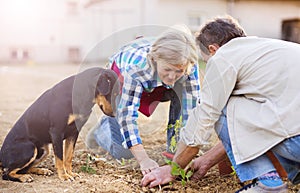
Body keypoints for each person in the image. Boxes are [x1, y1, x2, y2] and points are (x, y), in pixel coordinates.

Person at [141, 15, 300, 193]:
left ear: (212, 49)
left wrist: (173, 169)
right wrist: (208, 159)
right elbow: (248, 125)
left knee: (223, 103)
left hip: (296, 143)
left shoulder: (223, 57)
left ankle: (268, 183)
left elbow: (204, 119)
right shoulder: (275, 49)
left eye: (206, 60)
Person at [88, 25, 201, 176]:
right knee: (123, 152)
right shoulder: (136, 69)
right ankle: (101, 129)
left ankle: (173, 148)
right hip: (120, 79)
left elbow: (192, 111)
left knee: (180, 89)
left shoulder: (188, 66)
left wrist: (182, 155)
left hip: (156, 81)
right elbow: (128, 117)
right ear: (155, 60)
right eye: (167, 69)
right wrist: (144, 160)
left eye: (178, 71)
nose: (172, 77)